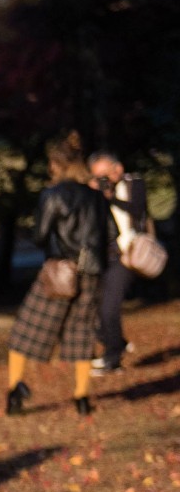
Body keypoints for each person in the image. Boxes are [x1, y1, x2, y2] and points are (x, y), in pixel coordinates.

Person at [8, 134, 111, 418]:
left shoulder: (52, 195)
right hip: (91, 271)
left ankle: (15, 389)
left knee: (27, 331)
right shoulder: (96, 197)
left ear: (56, 164)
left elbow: (40, 236)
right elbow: (108, 234)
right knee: (82, 333)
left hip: (60, 272)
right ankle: (81, 398)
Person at [90, 151, 148, 374]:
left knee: (109, 308)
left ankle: (112, 358)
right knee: (95, 307)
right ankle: (116, 343)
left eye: (105, 175)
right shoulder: (99, 194)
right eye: (99, 176)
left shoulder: (134, 183)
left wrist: (110, 197)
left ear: (118, 168)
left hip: (128, 253)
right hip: (105, 255)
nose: (105, 180)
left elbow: (137, 209)